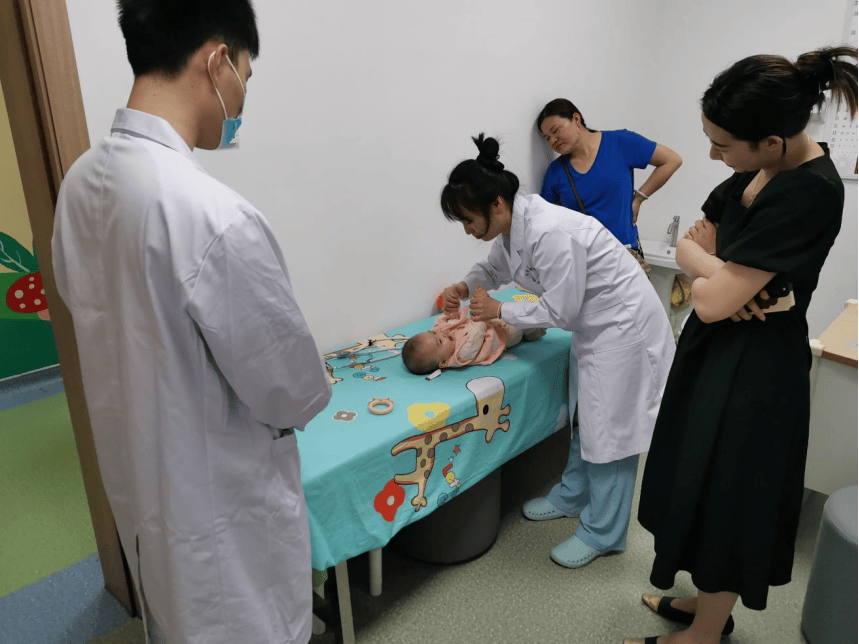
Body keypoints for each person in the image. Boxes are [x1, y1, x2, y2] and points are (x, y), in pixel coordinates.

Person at [51, 2, 332, 643]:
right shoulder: (212, 215)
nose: (242, 101)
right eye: (245, 78)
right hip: (223, 513)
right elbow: (294, 391)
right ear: (218, 61)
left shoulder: (82, 184)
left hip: (142, 485)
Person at [626, 46, 856, 644]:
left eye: (722, 145)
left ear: (772, 142)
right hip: (717, 352)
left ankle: (705, 632)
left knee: (728, 495)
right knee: (697, 481)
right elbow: (695, 244)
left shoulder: (811, 190)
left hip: (756, 369)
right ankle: (705, 607)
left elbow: (708, 300)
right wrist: (718, 268)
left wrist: (714, 274)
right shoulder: (762, 168)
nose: (712, 155)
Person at [439, 134, 676, 568]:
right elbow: (495, 267)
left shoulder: (549, 230)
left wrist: (499, 310)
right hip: (595, 327)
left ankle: (603, 533)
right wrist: (464, 286)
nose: (469, 230)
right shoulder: (514, 227)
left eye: (469, 220)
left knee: (611, 433)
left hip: (623, 328)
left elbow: (561, 310)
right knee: (585, 417)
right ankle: (572, 495)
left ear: (496, 203)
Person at [537, 98, 683, 272]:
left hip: (625, 255)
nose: (553, 140)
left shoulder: (619, 142)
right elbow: (544, 222)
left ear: (576, 119)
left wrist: (639, 199)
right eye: (547, 138)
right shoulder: (555, 172)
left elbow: (672, 160)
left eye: (555, 130)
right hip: (586, 265)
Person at [402, 287, 546, 374]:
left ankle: (533, 324)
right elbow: (477, 331)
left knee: (519, 309)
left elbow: (443, 322)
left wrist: (451, 311)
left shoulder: (442, 336)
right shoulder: (462, 354)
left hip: (493, 321)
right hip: (506, 334)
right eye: (439, 341)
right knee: (523, 321)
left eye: (432, 332)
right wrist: (481, 305)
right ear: (444, 361)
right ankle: (535, 331)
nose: (441, 333)